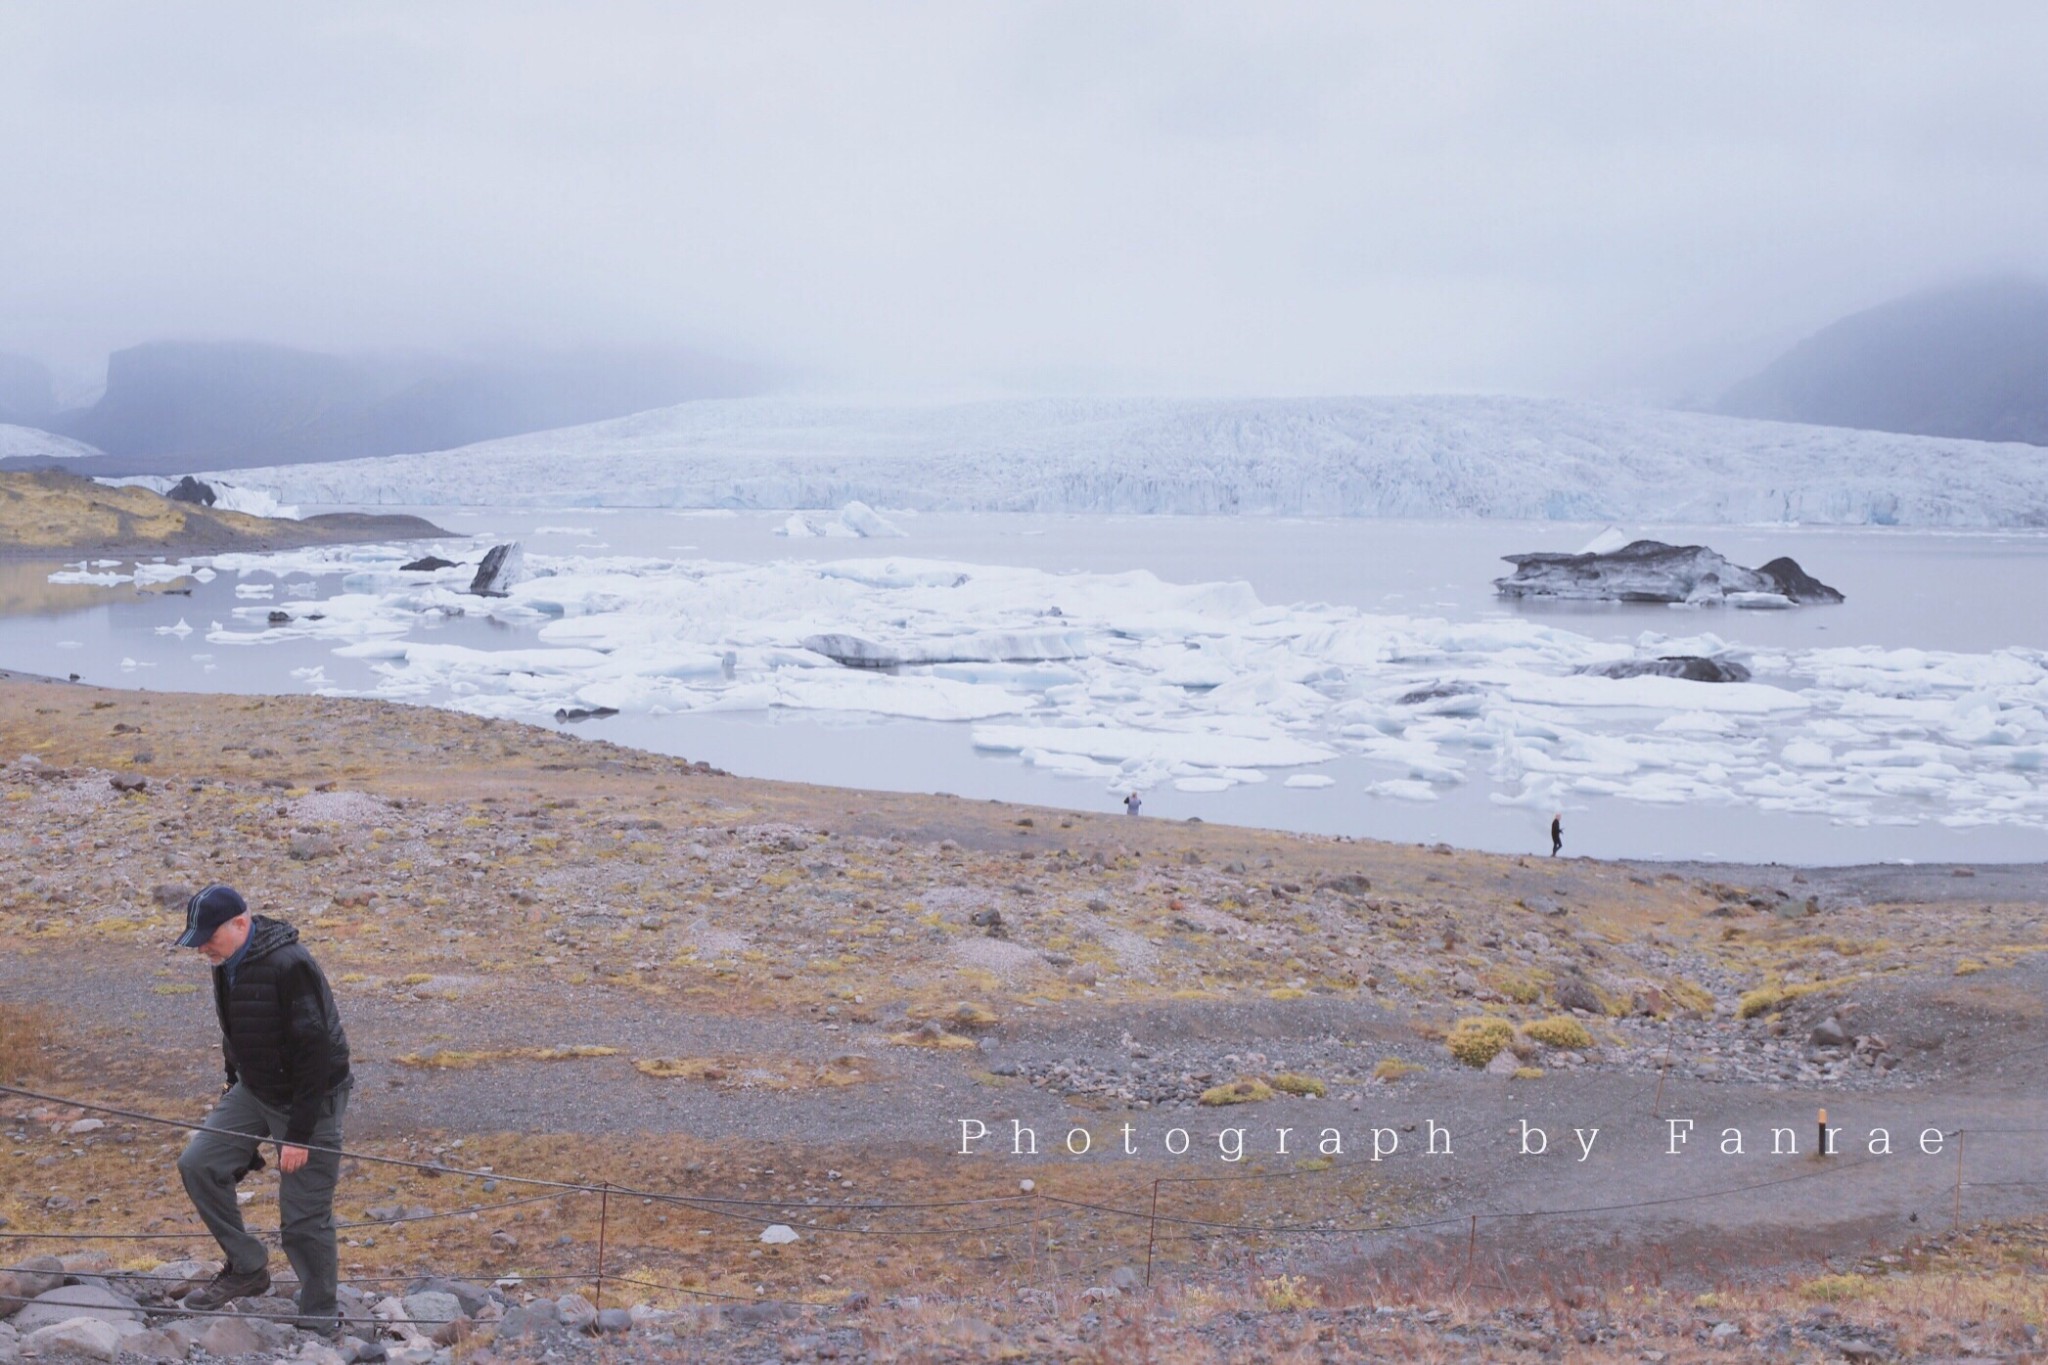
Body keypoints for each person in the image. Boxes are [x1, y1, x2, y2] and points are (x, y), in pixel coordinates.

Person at [173, 885, 353, 1335]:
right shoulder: (226, 960)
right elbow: (239, 1030)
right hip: (255, 1090)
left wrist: (298, 1135)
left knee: (303, 1220)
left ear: (240, 923)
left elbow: (315, 1052)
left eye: (207, 936)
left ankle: (318, 1318)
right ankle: (248, 1267)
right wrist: (233, 1088)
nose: (201, 948)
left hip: (311, 1100)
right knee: (199, 1163)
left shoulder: (290, 965)